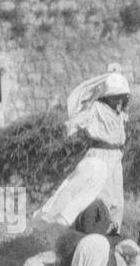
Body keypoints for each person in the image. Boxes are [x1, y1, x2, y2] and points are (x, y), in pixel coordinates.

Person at [36, 70, 130, 230]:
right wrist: (69, 127)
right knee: (102, 198)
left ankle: (114, 235)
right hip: (101, 155)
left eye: (121, 96)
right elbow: (80, 120)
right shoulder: (96, 108)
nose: (118, 100)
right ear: (107, 95)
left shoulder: (120, 113)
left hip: (116, 157)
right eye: (115, 96)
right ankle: (93, 231)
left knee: (117, 201)